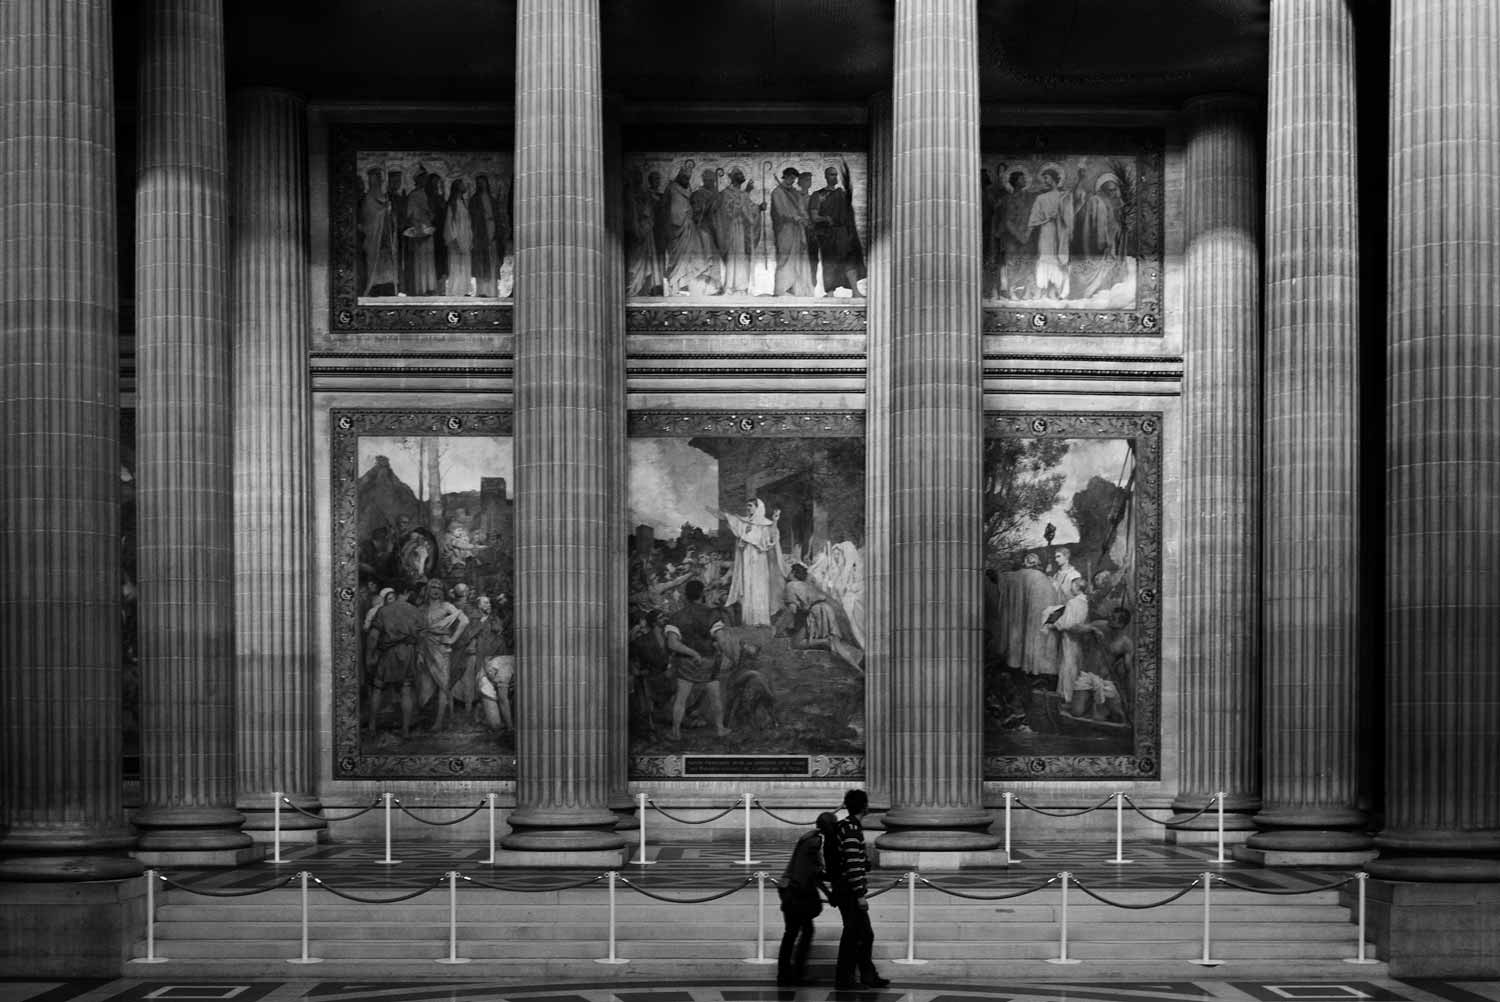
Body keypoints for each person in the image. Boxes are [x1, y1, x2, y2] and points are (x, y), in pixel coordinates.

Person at [822, 789, 889, 990]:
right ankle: (845, 979)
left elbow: (854, 859)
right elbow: (852, 864)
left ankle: (867, 975)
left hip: (845, 887)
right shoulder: (850, 828)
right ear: (864, 806)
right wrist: (860, 894)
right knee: (853, 934)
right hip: (849, 890)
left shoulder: (846, 826)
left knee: (864, 933)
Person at [663, 579, 731, 740]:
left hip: (686, 663)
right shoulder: (712, 614)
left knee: (681, 699)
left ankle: (675, 732)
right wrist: (728, 654)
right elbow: (722, 640)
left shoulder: (677, 616)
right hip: (709, 662)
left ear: (686, 596)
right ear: (702, 594)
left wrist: (691, 652)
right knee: (715, 697)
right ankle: (720, 729)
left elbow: (672, 644)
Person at [777, 821, 829, 987]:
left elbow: (812, 872)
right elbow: (812, 872)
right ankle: (794, 973)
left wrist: (828, 893)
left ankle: (786, 974)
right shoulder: (814, 842)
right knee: (800, 932)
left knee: (793, 933)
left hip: (792, 892)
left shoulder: (808, 839)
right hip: (797, 894)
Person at [716, 499, 783, 626]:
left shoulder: (765, 524)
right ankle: (748, 620)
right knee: (748, 586)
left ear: (758, 508)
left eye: (750, 506)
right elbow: (729, 520)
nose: (748, 508)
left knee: (759, 587)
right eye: (747, 506)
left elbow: (771, 538)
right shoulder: (744, 522)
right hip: (746, 559)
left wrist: (775, 520)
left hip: (759, 561)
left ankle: (761, 620)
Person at [1027, 162, 1081, 300]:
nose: (1044, 181)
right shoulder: (1040, 198)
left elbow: (1070, 217)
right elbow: (1033, 219)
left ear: (1055, 179)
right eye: (1043, 178)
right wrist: (1047, 219)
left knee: (1058, 260)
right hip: (1046, 233)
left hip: (1060, 233)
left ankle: (1055, 289)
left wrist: (1062, 218)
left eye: (1047, 178)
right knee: (1045, 258)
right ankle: (1043, 289)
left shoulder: (1065, 196)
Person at [807, 165, 864, 295]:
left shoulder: (841, 194)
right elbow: (814, 216)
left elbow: (848, 214)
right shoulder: (819, 195)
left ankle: (855, 291)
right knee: (830, 263)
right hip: (828, 234)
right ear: (826, 177)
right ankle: (830, 293)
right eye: (831, 174)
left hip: (843, 233)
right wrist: (826, 218)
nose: (834, 177)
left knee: (849, 260)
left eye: (835, 174)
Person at [713, 166, 762, 295]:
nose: (742, 176)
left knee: (742, 258)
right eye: (739, 174)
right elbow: (727, 211)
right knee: (733, 257)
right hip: (732, 229)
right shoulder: (726, 193)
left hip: (742, 230)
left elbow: (750, 208)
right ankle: (730, 286)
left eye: (741, 173)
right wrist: (746, 194)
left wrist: (759, 208)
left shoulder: (742, 193)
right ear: (733, 177)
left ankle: (741, 286)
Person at [770, 166, 813, 296]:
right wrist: (794, 217)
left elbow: (801, 209)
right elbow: (780, 211)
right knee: (784, 257)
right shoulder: (777, 192)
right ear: (785, 177)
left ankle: (795, 288)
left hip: (797, 230)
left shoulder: (795, 193)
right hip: (784, 230)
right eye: (790, 178)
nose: (792, 181)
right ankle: (781, 289)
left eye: (794, 178)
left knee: (797, 259)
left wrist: (805, 218)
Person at [469, 174, 503, 297]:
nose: (481, 185)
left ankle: (492, 291)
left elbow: (497, 217)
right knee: (481, 263)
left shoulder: (492, 200)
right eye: (479, 183)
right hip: (480, 234)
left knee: (492, 260)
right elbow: (472, 219)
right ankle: (482, 291)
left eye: (483, 182)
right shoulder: (474, 200)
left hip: (492, 230)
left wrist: (495, 231)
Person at [443, 177, 473, 296]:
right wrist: (453, 239)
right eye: (462, 185)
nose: (464, 186)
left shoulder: (463, 203)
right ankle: (455, 291)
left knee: (464, 264)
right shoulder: (453, 203)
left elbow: (468, 222)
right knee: (455, 264)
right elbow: (449, 222)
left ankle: (464, 290)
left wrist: (471, 237)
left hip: (465, 236)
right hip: (456, 238)